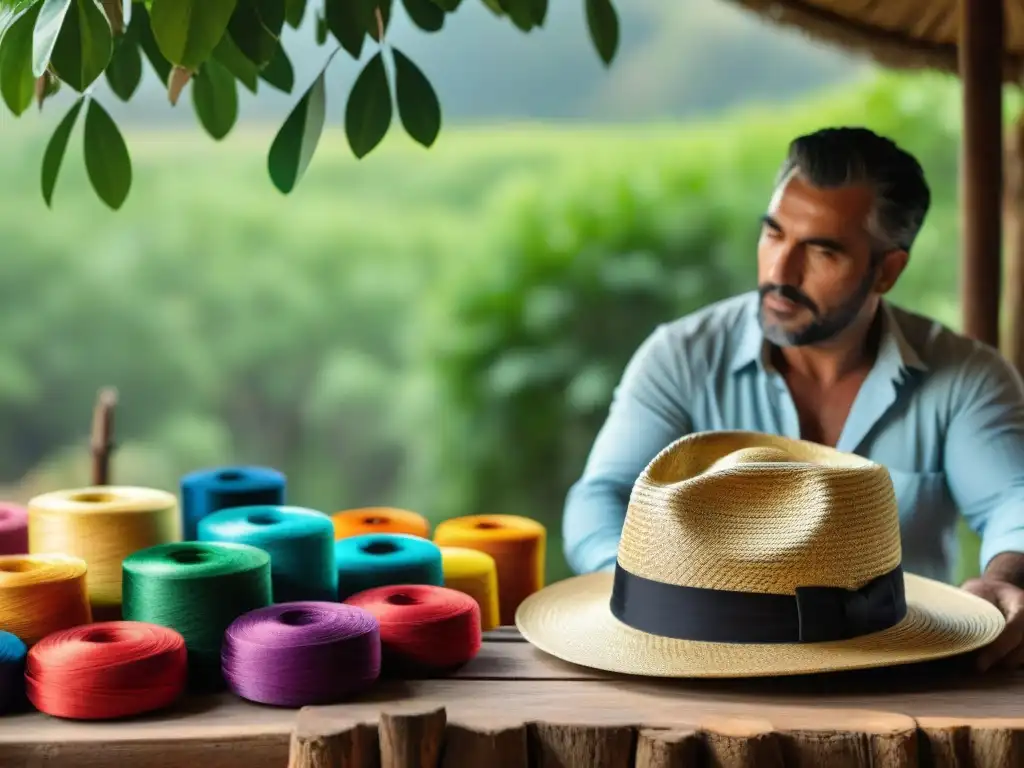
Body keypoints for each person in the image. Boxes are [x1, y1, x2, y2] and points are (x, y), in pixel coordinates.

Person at [563, 127, 1024, 671]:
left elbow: (1011, 501)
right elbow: (601, 495)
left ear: (887, 271)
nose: (780, 271)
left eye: (821, 251)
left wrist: (1004, 580)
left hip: (902, 673)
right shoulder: (680, 357)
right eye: (774, 234)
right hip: (699, 665)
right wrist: (650, 597)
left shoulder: (966, 378)